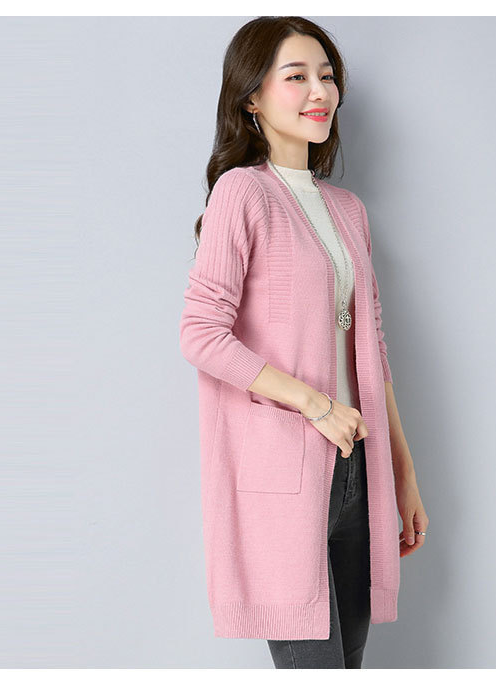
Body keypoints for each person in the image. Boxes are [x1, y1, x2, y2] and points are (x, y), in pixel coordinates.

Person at [179, 16, 429, 669]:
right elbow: (201, 333)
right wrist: (315, 404)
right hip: (286, 470)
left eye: (327, 76)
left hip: (360, 467)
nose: (320, 91)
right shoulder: (242, 193)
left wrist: (402, 472)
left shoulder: (348, 210)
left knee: (349, 667)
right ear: (252, 98)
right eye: (297, 76)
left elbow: (373, 349)